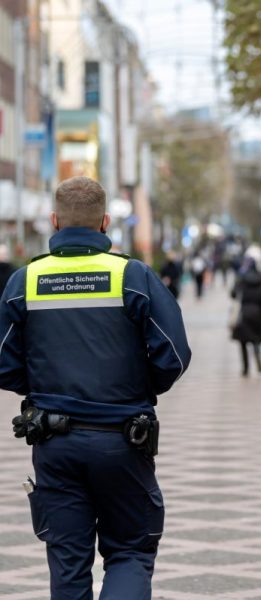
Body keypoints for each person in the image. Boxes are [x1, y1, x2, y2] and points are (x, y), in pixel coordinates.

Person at [0, 176, 192, 599]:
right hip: (122, 438)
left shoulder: (24, 282)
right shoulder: (132, 276)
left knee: (68, 561)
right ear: (105, 222)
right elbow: (174, 356)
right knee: (128, 553)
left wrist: (42, 387)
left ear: (53, 220)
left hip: (54, 443)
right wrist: (140, 389)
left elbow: (3, 364)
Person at [230, 256, 261, 377]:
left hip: (244, 312)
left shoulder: (241, 277)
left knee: (243, 341)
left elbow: (233, 294)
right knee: (256, 338)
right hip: (257, 312)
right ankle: (257, 353)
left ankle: (245, 368)